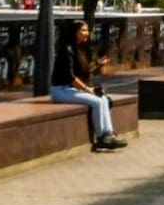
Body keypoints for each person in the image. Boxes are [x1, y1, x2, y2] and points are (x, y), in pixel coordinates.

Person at [50, 20, 127, 150]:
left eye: (87, 30)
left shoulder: (80, 49)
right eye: (83, 30)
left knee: (103, 99)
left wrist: (98, 64)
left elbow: (85, 71)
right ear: (74, 32)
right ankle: (102, 137)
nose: (87, 33)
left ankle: (108, 134)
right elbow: (70, 77)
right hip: (60, 90)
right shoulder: (66, 50)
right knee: (96, 102)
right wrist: (87, 89)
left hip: (72, 89)